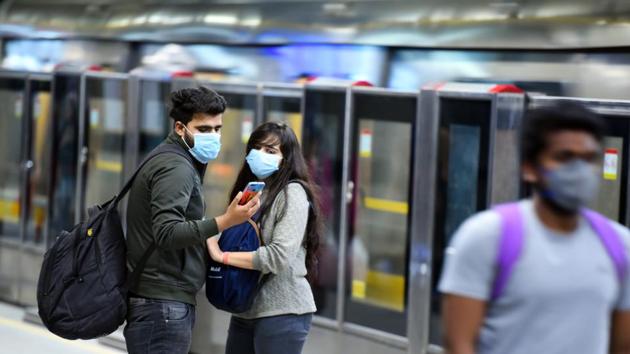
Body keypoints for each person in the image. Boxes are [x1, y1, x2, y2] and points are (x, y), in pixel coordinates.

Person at [439, 101, 630, 354]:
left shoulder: (619, 244)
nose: (579, 170)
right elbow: (459, 344)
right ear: (529, 168)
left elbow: (622, 345)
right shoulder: (488, 236)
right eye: (564, 157)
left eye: (588, 159)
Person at [124, 86, 260, 354]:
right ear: (180, 128)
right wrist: (225, 221)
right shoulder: (176, 168)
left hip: (160, 302)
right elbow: (167, 233)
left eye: (218, 129)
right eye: (204, 129)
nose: (214, 136)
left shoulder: (173, 158)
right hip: (162, 305)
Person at [206, 122, 322, 354]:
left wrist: (223, 256)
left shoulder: (293, 194)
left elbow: (278, 257)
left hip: (282, 310)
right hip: (246, 307)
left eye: (271, 151)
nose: (260, 155)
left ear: (286, 159)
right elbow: (236, 236)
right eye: (256, 148)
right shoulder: (253, 191)